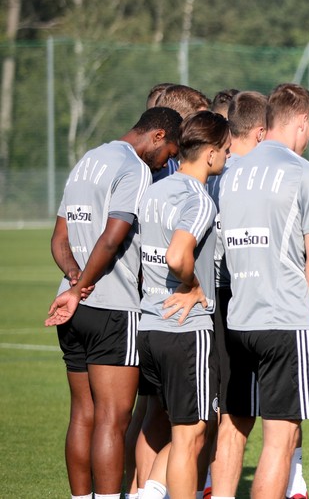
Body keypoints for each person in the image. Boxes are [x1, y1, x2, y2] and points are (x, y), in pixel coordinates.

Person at [44, 106, 183, 499]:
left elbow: (59, 238)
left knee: (82, 415)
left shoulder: (87, 160)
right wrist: (82, 286)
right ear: (158, 135)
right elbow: (113, 236)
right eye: (170, 152)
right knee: (112, 419)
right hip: (112, 308)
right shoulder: (134, 167)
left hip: (72, 308)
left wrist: (73, 279)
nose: (167, 161)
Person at [208, 83, 309, 499]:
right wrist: (307, 316)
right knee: (281, 440)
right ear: (301, 122)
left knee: (233, 423)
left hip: (237, 319)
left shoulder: (229, 173)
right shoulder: (306, 174)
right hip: (284, 321)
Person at [134, 111, 230, 499]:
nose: (227, 157)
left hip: (150, 326)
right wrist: (194, 285)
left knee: (167, 428)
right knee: (190, 437)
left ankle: (145, 492)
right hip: (185, 329)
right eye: (225, 149)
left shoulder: (155, 191)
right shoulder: (199, 199)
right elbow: (177, 256)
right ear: (210, 153)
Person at [203, 89, 269, 499]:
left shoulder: (210, 169)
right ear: (261, 132)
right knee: (239, 414)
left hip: (205, 297)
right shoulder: (258, 174)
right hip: (242, 297)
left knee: (203, 411)